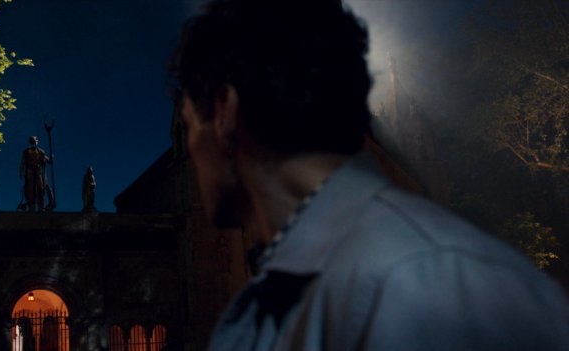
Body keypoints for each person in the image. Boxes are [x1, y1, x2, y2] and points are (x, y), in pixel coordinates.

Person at [168, 1, 569, 350]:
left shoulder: (442, 286)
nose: (188, 150)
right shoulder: (253, 312)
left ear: (224, 110)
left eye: (187, 128)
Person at [20, 136, 50, 212]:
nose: (33, 142)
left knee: (40, 189)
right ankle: (31, 207)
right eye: (32, 141)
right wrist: (21, 171)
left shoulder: (41, 151)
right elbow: (22, 162)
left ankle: (41, 207)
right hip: (30, 172)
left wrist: (50, 159)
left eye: (34, 140)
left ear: (36, 142)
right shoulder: (26, 151)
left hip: (38, 172)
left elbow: (46, 159)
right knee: (30, 190)